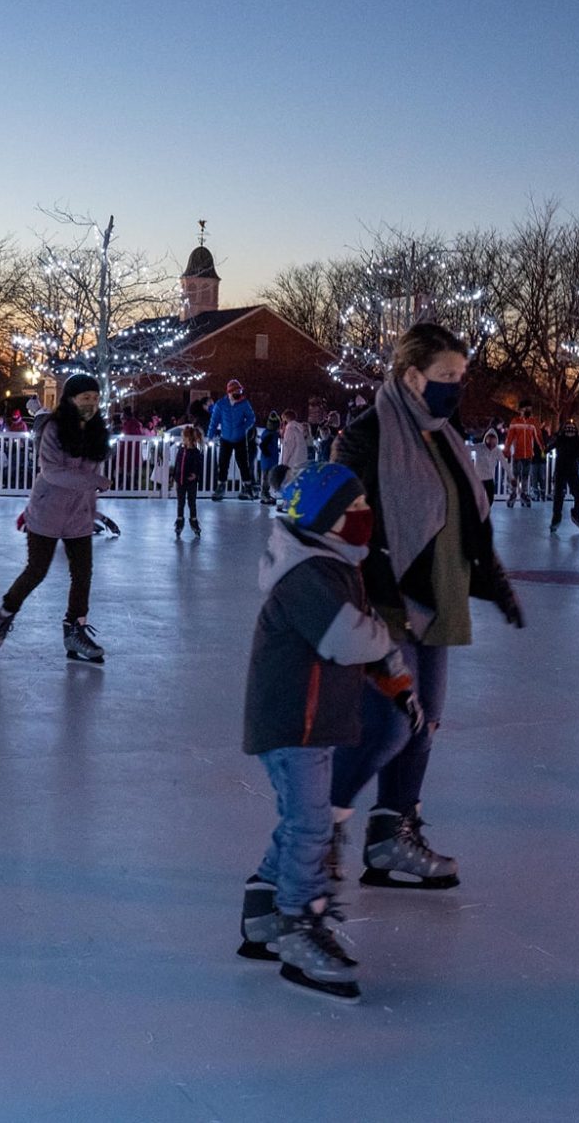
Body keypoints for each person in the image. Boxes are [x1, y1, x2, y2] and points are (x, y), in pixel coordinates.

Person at [329, 323, 524, 890]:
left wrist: (496, 580)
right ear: (411, 376)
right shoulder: (367, 436)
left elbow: (466, 511)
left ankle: (392, 836)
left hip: (439, 598)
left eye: (461, 377)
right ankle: (320, 828)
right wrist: (366, 596)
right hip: (385, 601)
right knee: (392, 724)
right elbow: (343, 529)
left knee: (424, 723)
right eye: (445, 377)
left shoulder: (444, 434)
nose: (456, 389)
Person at [237, 462, 422, 1002]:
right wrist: (386, 645)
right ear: (326, 519)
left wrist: (395, 681)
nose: (366, 518)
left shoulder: (331, 564)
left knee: (302, 822)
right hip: (294, 723)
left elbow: (361, 646)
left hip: (311, 722)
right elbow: (348, 638)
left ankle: (264, 912)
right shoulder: (308, 574)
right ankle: (299, 922)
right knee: (311, 826)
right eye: (355, 511)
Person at [0, 373, 111, 661]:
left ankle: (74, 630)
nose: (91, 404)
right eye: (84, 398)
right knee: (36, 570)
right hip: (46, 511)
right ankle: (5, 614)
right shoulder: (54, 429)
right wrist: (95, 482)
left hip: (78, 514)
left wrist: (91, 510)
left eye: (95, 398)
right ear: (70, 399)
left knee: (83, 573)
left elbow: (89, 479)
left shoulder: (96, 431)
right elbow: (53, 472)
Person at [208, 379, 257, 501]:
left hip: (239, 438)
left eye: (240, 391)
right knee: (223, 464)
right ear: (230, 392)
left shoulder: (244, 403)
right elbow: (214, 421)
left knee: (243, 464)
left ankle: (247, 487)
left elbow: (251, 418)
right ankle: (221, 487)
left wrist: (244, 428)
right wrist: (210, 436)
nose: (239, 393)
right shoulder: (221, 404)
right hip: (225, 439)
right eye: (237, 391)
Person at [548, 419, 579, 533]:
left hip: (573, 472)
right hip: (560, 471)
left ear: (575, 433)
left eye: (572, 432)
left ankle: (575, 513)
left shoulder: (578, 442)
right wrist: (543, 452)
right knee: (558, 496)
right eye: (568, 432)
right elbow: (552, 446)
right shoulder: (560, 440)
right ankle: (556, 518)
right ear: (564, 432)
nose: (570, 434)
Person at [501, 405, 543, 506]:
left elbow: (538, 436)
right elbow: (509, 436)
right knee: (515, 475)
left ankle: (523, 493)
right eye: (526, 409)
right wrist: (506, 449)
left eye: (529, 409)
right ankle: (513, 493)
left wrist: (542, 448)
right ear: (520, 410)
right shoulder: (515, 421)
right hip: (517, 453)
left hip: (528, 454)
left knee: (525, 475)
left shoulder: (533, 422)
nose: (528, 411)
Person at [174, 424, 205, 538]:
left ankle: (194, 521)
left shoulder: (196, 452)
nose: (182, 439)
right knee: (180, 503)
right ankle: (179, 521)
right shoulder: (181, 450)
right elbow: (177, 463)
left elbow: (199, 467)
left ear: (189, 439)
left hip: (190, 482)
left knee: (192, 503)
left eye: (184, 437)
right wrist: (174, 476)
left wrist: (196, 476)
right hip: (180, 481)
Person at [256, 411, 282, 505]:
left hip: (269, 460)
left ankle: (266, 494)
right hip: (268, 460)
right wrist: (268, 454)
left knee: (268, 478)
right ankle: (264, 495)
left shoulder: (270, 433)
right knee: (266, 478)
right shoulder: (270, 434)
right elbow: (263, 445)